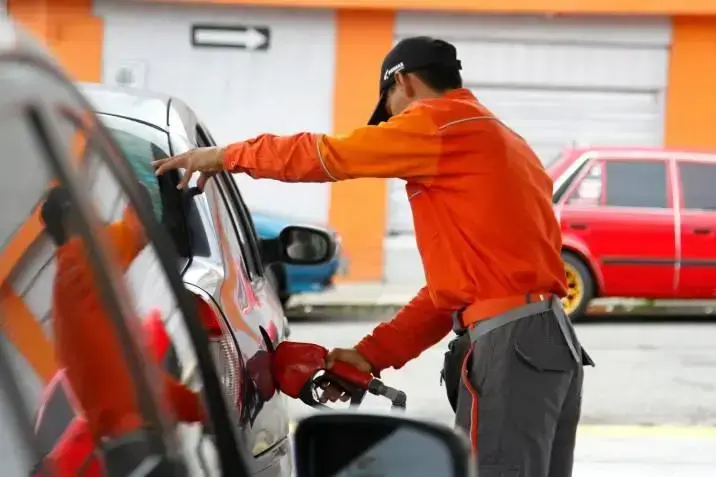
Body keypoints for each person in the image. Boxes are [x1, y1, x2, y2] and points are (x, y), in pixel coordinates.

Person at [153, 36, 593, 476]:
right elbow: (454, 296)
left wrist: (226, 156)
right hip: (550, 344)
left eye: (390, 111)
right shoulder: (505, 142)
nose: (390, 126)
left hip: (512, 346)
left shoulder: (438, 124)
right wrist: (371, 354)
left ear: (401, 82)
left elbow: (327, 155)